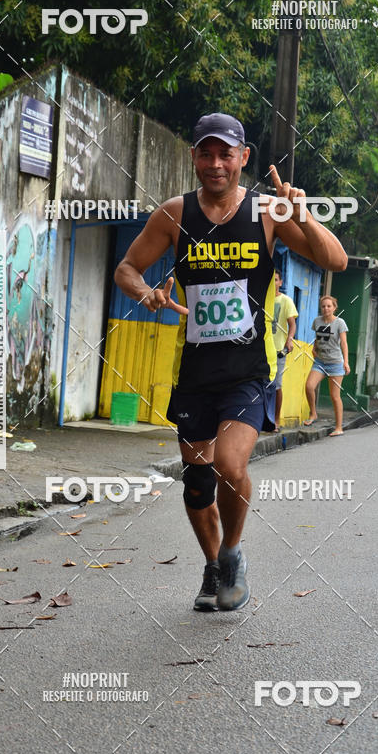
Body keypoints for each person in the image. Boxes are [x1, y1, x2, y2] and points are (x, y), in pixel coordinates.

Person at [115, 112, 347, 612]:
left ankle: (234, 554)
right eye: (206, 153)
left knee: (228, 463)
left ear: (244, 159)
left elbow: (335, 262)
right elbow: (127, 266)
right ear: (194, 157)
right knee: (197, 484)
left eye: (227, 154)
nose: (216, 163)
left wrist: (300, 213)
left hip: (249, 369)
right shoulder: (174, 215)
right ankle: (213, 564)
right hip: (195, 372)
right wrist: (144, 292)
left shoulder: (268, 213)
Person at [303, 295, 350, 436]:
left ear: (334, 307)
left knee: (334, 396)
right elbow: (319, 337)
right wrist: (314, 347)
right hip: (320, 362)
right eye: (323, 306)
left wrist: (346, 362)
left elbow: (344, 344)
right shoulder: (317, 321)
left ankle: (338, 427)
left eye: (329, 306)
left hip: (335, 363)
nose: (326, 308)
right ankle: (313, 413)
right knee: (309, 386)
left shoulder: (340, 323)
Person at [270, 269, 298, 432]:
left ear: (280, 282)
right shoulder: (262, 299)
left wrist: (289, 340)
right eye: (270, 280)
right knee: (261, 386)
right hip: (262, 350)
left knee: (277, 386)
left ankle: (276, 420)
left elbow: (292, 324)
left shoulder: (285, 300)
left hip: (279, 350)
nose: (273, 283)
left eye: (275, 280)